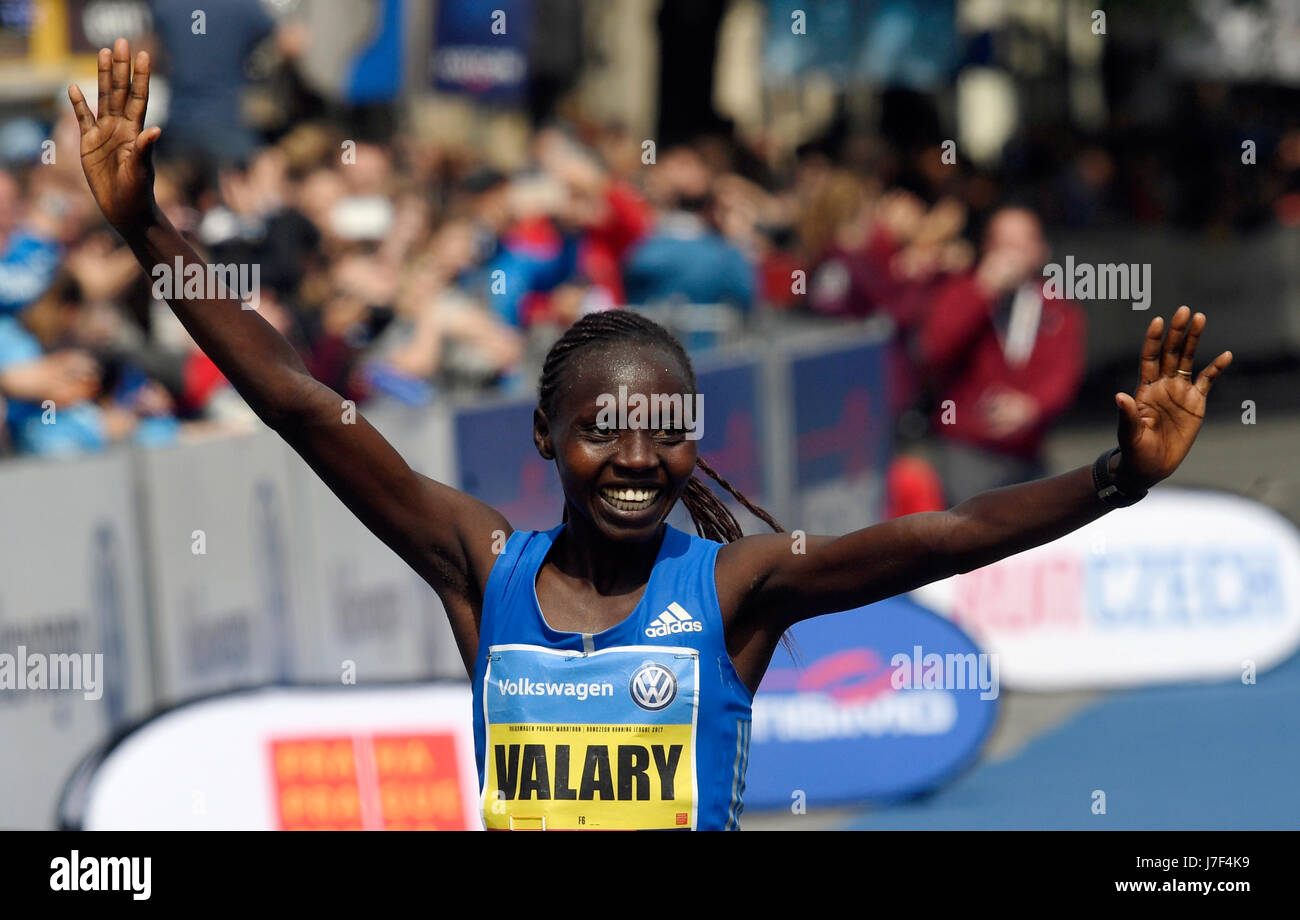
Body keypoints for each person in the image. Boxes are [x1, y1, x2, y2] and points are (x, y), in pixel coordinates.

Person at [69, 40, 1234, 830]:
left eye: (664, 430)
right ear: (545, 437)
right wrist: (149, 232)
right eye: (603, 430)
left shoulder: (740, 589)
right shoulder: (481, 565)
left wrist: (1113, 477)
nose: (637, 456)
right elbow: (299, 402)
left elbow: (954, 532)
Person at [919, 206, 1087, 504]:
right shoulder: (960, 292)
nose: (1012, 255)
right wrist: (983, 292)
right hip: (966, 451)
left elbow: (1064, 375)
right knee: (965, 538)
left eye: (1022, 244)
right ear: (987, 249)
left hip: (1029, 454)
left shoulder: (1059, 309)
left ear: (1040, 250)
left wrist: (1032, 406)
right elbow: (935, 350)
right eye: (1003, 244)